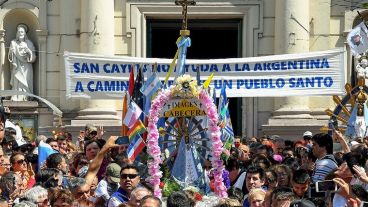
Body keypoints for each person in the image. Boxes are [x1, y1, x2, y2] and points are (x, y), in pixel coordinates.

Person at [8, 24, 36, 101]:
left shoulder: (29, 43)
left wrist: (29, 52)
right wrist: (11, 52)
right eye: (19, 32)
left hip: (27, 66)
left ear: (24, 33)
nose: (20, 33)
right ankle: (16, 96)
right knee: (17, 80)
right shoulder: (13, 43)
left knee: (26, 81)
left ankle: (26, 96)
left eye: (22, 32)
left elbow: (33, 57)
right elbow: (10, 57)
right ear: (17, 33)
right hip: (17, 65)